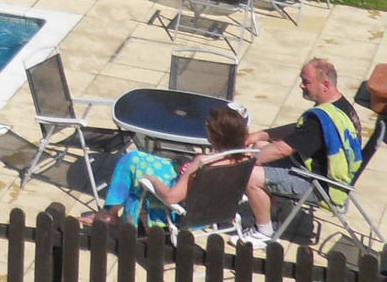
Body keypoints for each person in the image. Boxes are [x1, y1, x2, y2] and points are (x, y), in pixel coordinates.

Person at [82, 102, 265, 230]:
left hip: (187, 210)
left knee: (132, 165)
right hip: (213, 209)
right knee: (135, 159)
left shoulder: (203, 162)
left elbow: (170, 198)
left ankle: (109, 214)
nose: (206, 127)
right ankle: (112, 214)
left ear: (216, 135)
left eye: (208, 126)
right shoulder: (247, 158)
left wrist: (152, 180)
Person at [248, 58, 371, 232]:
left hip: (321, 186)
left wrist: (247, 160)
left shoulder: (320, 119)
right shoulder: (339, 106)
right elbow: (298, 130)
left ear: (325, 84)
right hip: (317, 170)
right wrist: (262, 135)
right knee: (260, 144)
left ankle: (263, 231)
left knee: (250, 175)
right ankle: (270, 209)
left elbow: (282, 149)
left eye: (306, 82)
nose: (301, 85)